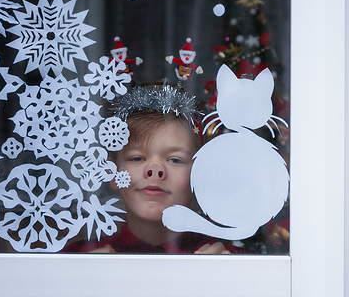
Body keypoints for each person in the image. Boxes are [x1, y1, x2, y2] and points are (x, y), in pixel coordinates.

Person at [67, 83, 234, 254]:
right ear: (111, 171)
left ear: (198, 175)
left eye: (175, 160)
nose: (155, 170)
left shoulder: (230, 260)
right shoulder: (78, 259)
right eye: (137, 158)